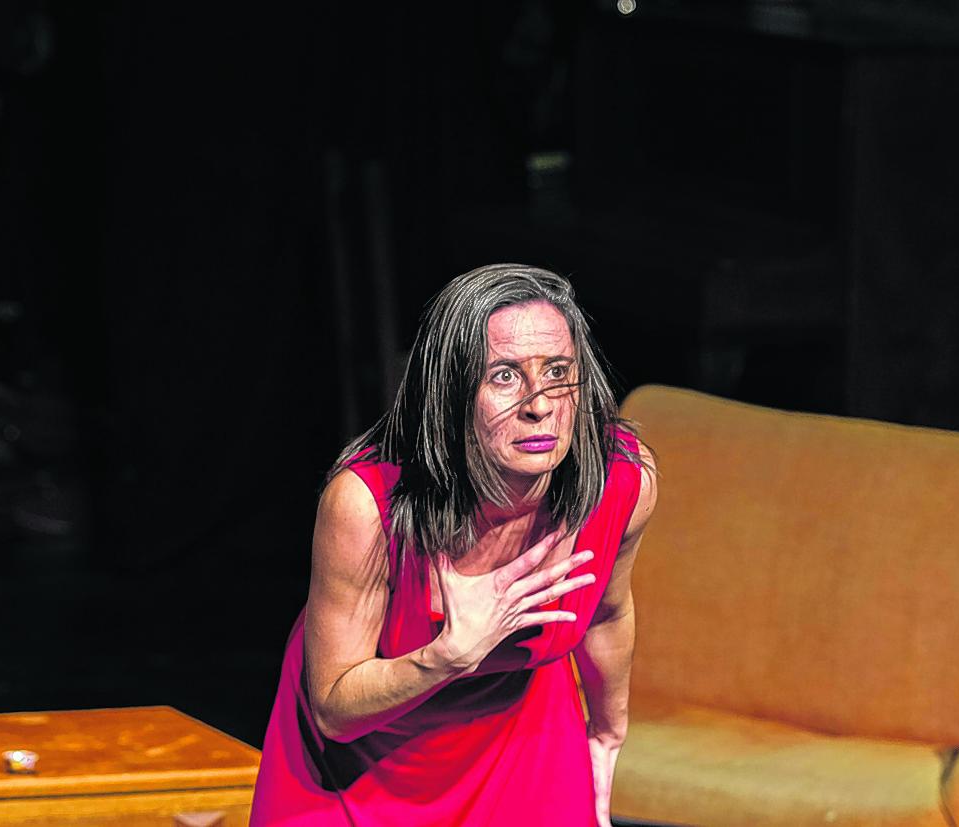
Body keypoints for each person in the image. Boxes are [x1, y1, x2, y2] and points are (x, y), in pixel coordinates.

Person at [250, 264, 658, 826]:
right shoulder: (368, 504)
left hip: (522, 743)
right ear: (451, 393)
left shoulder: (620, 481)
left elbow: (607, 614)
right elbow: (334, 710)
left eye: (558, 371)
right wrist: (446, 657)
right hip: (361, 768)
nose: (540, 404)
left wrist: (608, 734)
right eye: (505, 376)